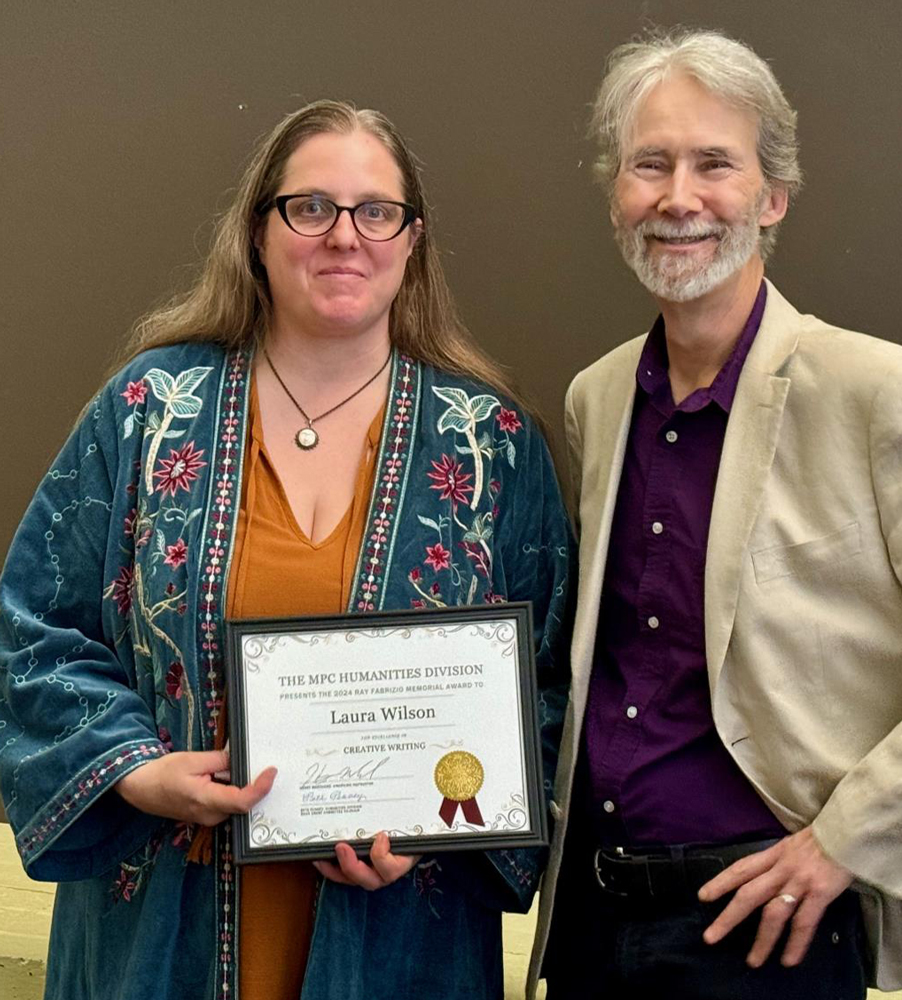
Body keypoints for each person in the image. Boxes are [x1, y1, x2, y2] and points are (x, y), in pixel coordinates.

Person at [0, 99, 572, 1000]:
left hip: (398, 940)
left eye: (376, 211)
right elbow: (33, 630)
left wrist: (435, 820)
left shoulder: (489, 443)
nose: (345, 236)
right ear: (258, 232)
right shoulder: (150, 412)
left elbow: (547, 682)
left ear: (411, 240)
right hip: (159, 928)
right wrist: (138, 771)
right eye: (310, 207)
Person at [529, 26, 902, 1000]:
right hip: (588, 919)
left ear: (771, 196)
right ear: (616, 192)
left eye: (714, 163)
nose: (677, 196)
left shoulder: (880, 393)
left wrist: (844, 841)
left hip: (771, 933)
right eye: (648, 164)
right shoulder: (596, 398)